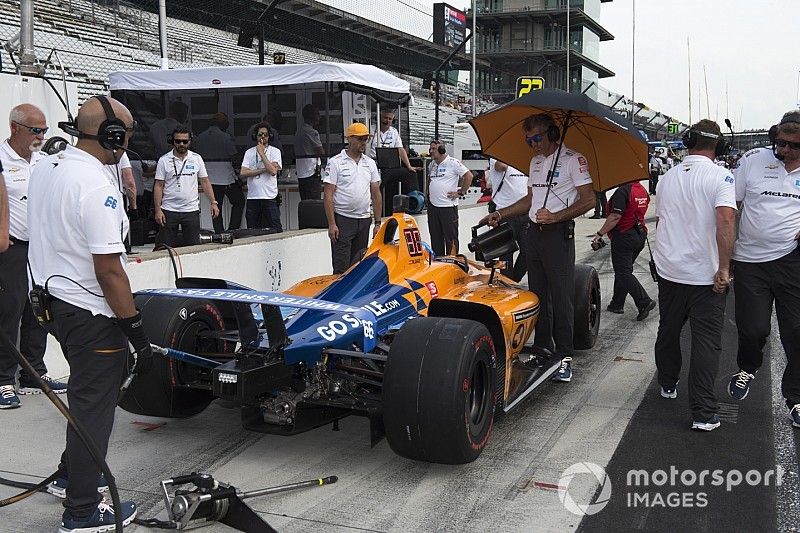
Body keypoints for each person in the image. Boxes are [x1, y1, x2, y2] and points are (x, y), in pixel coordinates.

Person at [27, 95, 149, 531]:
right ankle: (81, 510)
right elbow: (110, 270)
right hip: (89, 314)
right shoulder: (96, 186)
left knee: (86, 399)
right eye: (128, 133)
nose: (129, 141)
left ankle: (71, 474)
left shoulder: (47, 166)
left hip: (50, 305)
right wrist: (134, 328)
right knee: (93, 407)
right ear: (114, 136)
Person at [483, 113, 595, 383]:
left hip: (558, 235)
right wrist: (502, 214)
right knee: (537, 294)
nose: (532, 143)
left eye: (537, 137)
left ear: (552, 134)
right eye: (528, 139)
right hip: (534, 234)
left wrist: (556, 216)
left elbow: (589, 199)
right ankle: (544, 349)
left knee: (561, 296)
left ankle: (564, 356)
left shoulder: (573, 160)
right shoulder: (534, 162)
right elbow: (530, 200)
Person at [652, 119, 737, 432]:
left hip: (670, 270)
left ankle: (667, 381)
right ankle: (703, 412)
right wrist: (725, 268)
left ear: (688, 141)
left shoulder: (667, 177)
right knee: (705, 343)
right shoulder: (722, 176)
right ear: (718, 146)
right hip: (705, 275)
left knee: (668, 329)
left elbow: (662, 221)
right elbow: (725, 221)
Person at [727, 110, 800, 428]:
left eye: (793, 145)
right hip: (749, 262)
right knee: (754, 329)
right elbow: (730, 205)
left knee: (797, 333)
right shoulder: (754, 159)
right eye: (780, 142)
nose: (783, 150)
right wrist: (723, 256)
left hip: (791, 261)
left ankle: (796, 398)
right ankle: (747, 368)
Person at [0, 104, 67, 410]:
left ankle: (33, 374)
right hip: (12, 248)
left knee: (39, 310)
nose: (41, 136)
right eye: (35, 130)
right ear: (15, 128)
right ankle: (3, 378)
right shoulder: (2, 160)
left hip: (41, 247)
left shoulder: (44, 161)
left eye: (44, 130)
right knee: (9, 311)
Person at [323, 122, 382, 274]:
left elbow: (376, 194)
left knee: (358, 267)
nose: (364, 143)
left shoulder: (370, 163)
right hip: (343, 219)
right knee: (341, 266)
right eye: (361, 139)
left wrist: (377, 223)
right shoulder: (335, 162)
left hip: (363, 220)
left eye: (366, 139)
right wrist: (332, 224)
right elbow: (328, 194)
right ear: (350, 139)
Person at [592, 180, 655, 319]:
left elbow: (615, 216)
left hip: (624, 236)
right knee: (624, 271)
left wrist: (600, 233)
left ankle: (644, 301)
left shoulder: (623, 191)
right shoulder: (642, 190)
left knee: (623, 273)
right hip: (639, 234)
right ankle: (617, 303)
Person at [153, 127, 219, 247]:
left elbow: (204, 181)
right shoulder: (164, 160)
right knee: (164, 248)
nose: (181, 144)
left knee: (193, 248)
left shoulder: (197, 159)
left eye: (185, 141)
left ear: (190, 141)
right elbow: (158, 186)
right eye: (178, 141)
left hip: (191, 210)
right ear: (173, 141)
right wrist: (158, 210)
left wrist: (213, 202)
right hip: (169, 209)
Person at [193, 112, 245, 232]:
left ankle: (219, 232)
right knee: (239, 201)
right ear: (224, 124)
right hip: (225, 177)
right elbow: (233, 154)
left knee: (216, 206)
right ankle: (233, 230)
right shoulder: (225, 136)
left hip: (208, 177)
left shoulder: (200, 137)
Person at [368, 108, 420, 216]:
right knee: (377, 184)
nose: (387, 121)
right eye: (385, 118)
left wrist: (409, 165)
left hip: (390, 165)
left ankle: (415, 202)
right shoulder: (371, 129)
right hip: (375, 163)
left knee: (410, 174)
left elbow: (400, 149)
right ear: (380, 118)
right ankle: (372, 208)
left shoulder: (394, 131)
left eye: (390, 119)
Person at [426, 140, 472, 256]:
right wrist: (427, 192)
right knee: (435, 237)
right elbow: (429, 180)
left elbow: (468, 176)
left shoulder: (453, 163)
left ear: (442, 150)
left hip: (448, 207)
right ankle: (439, 264)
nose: (431, 151)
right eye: (430, 149)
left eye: (434, 149)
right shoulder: (432, 164)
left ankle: (453, 264)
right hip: (433, 206)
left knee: (451, 238)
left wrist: (461, 192)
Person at [486, 158, 528, 281]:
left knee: (528, 251)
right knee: (505, 254)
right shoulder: (497, 158)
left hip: (524, 213)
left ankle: (514, 280)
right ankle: (507, 282)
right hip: (503, 214)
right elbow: (501, 166)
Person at [241, 122, 283, 231]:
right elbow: (243, 173)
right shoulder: (249, 153)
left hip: (269, 197)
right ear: (255, 136)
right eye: (260, 135)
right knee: (252, 231)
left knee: (276, 229)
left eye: (265, 134)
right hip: (253, 197)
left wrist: (261, 153)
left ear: (270, 136)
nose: (263, 137)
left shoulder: (275, 151)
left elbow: (273, 171)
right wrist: (264, 169)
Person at [295, 104, 325, 200]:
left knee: (305, 202)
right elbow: (321, 152)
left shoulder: (299, 131)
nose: (319, 117)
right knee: (314, 204)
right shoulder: (312, 132)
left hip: (301, 173)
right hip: (311, 173)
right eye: (317, 114)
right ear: (311, 116)